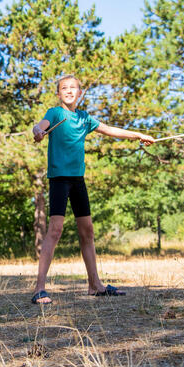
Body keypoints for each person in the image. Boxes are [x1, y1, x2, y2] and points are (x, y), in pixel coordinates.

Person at [30, 74, 155, 303]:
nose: (69, 91)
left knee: (87, 231)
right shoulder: (55, 113)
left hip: (78, 180)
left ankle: (95, 285)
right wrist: (37, 131)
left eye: (73, 88)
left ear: (80, 93)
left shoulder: (84, 118)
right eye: (64, 88)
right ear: (59, 94)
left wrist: (138, 135)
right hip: (59, 179)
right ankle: (39, 289)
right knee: (55, 231)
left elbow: (110, 130)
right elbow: (41, 126)